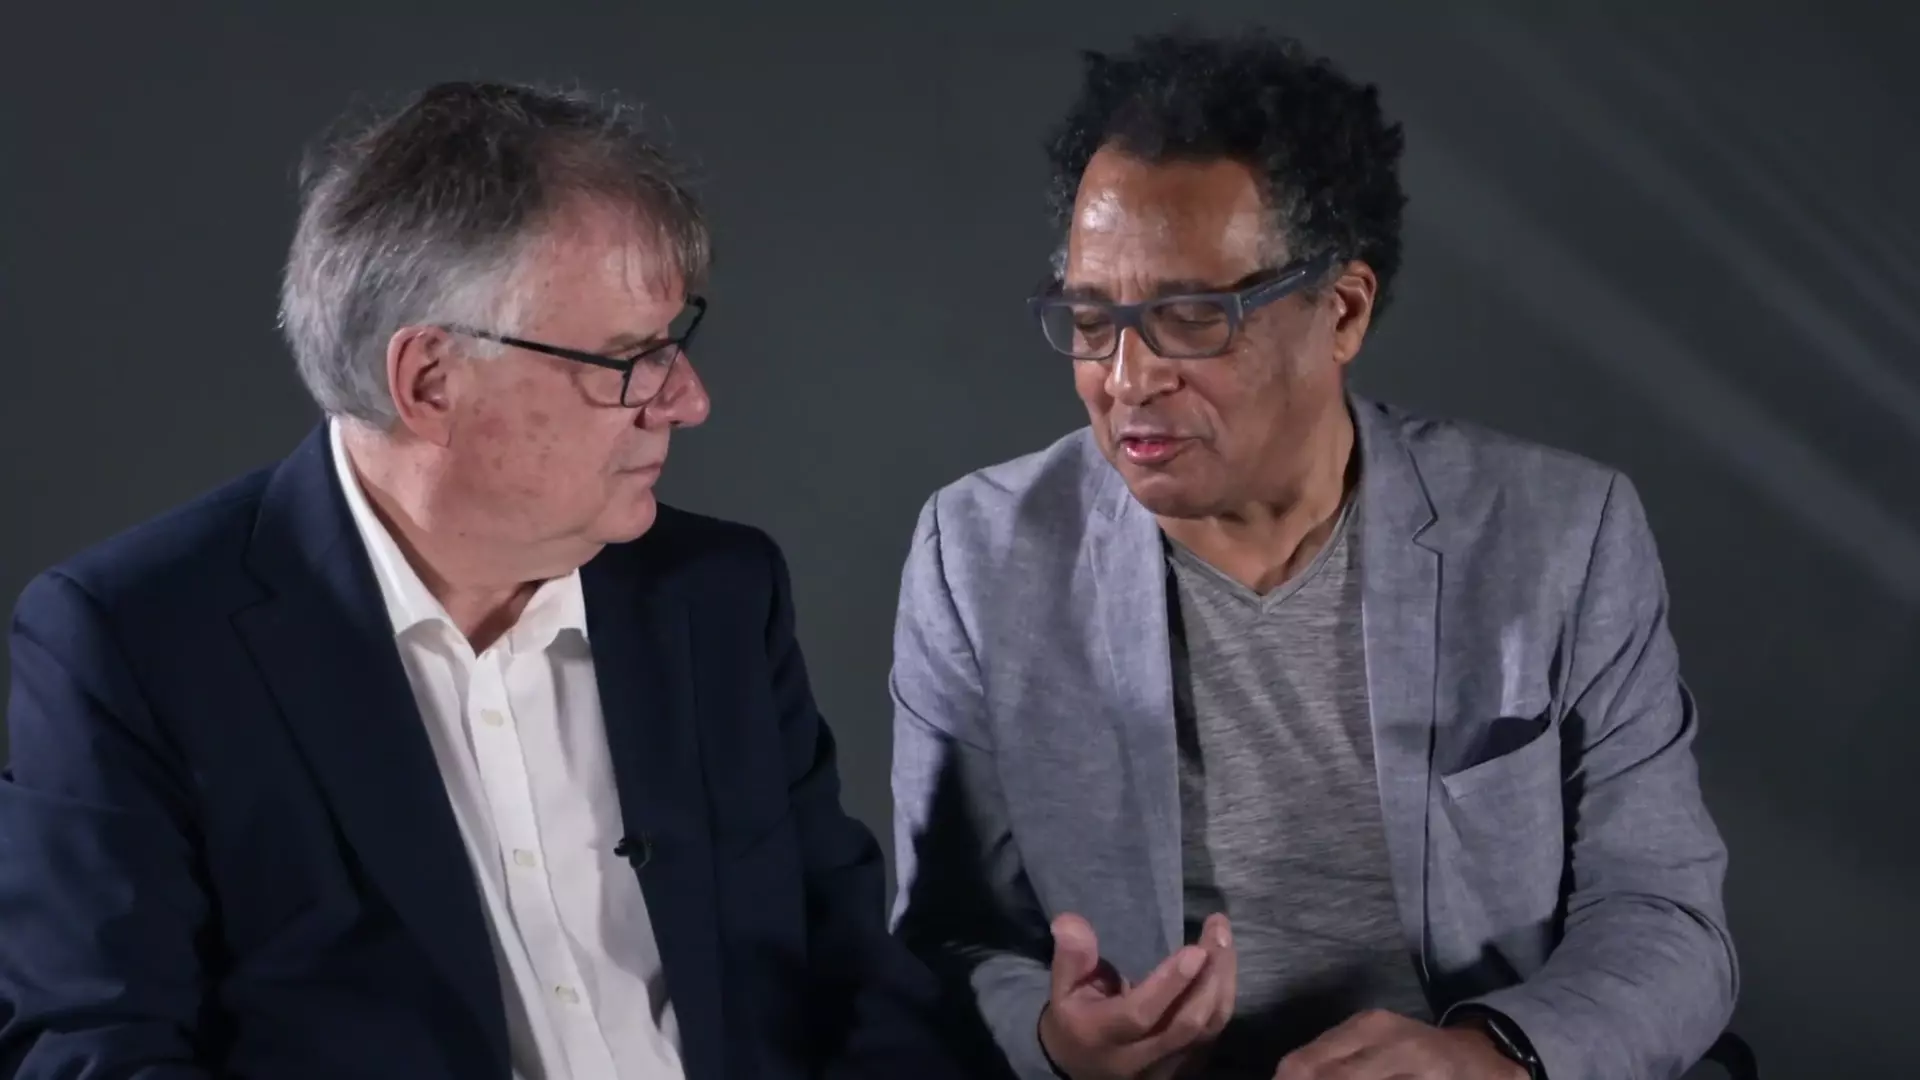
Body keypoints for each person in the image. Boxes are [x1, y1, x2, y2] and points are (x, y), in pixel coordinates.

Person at [0, 81, 960, 1080]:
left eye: (676, 343)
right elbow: (97, 1052)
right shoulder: (135, 641)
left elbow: (859, 988)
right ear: (431, 381)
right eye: (630, 359)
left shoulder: (717, 596)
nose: (687, 399)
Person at [887, 28, 1737, 1080]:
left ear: (1341, 311)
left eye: (1191, 318)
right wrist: (1057, 1041)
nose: (1128, 378)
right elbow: (946, 936)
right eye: (1093, 319)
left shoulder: (1560, 534)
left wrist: (1489, 1057)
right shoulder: (977, 556)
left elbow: (1664, 914)